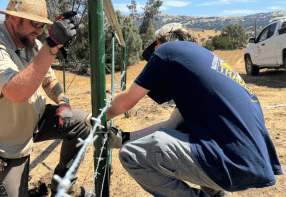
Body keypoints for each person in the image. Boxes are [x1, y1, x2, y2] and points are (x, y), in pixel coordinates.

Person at [106, 23, 283, 197]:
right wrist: (125, 138)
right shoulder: (205, 67)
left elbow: (125, 103)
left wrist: (99, 115)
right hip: (253, 163)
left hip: (230, 162)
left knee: (132, 154)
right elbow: (172, 125)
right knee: (186, 134)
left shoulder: (167, 50)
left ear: (158, 43)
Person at [0, 0, 90, 196]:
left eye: (42, 25)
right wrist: (52, 45)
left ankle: (63, 185)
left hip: (29, 123)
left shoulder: (33, 45)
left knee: (82, 125)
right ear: (13, 18)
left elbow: (48, 82)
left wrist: (63, 101)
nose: (39, 31)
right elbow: (17, 93)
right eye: (35, 24)